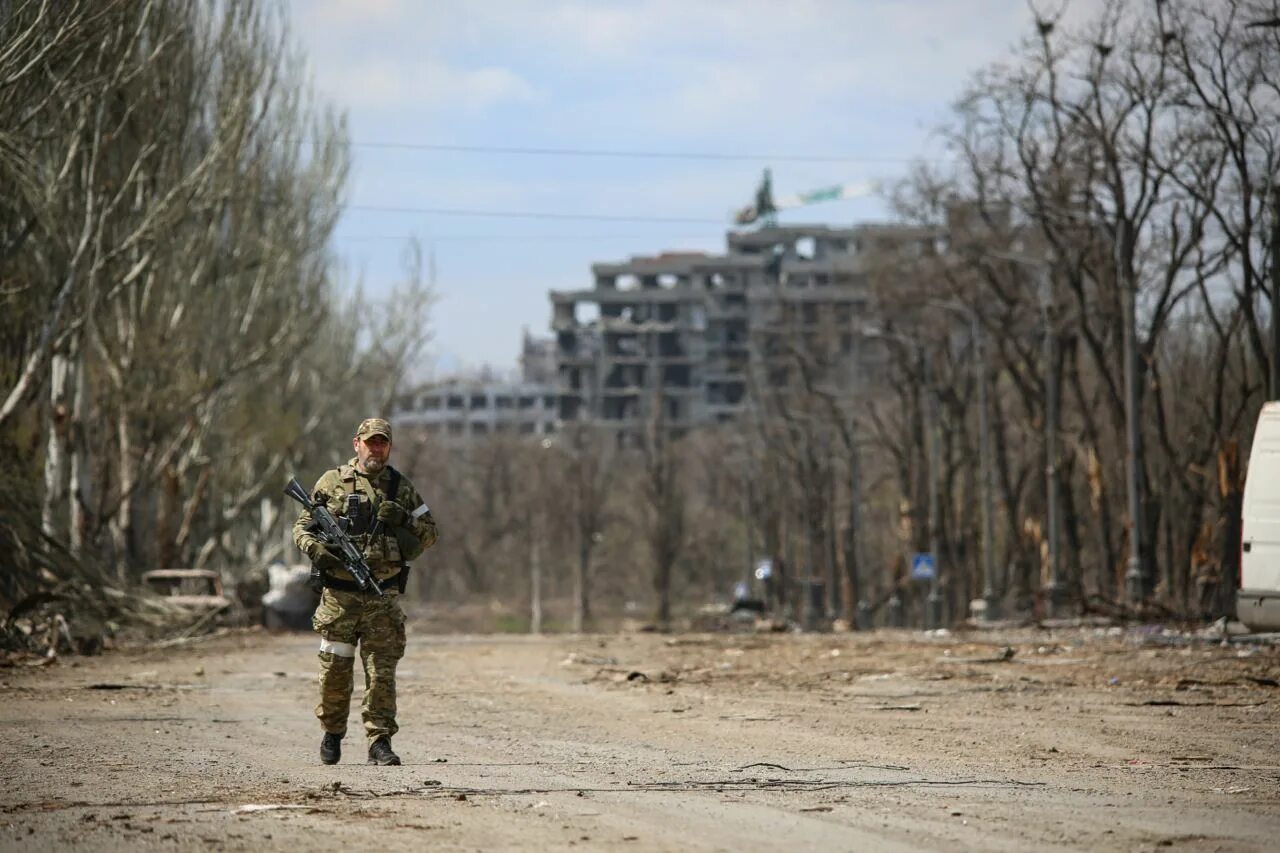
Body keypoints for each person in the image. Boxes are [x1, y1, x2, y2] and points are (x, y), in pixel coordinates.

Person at [292, 418, 438, 766]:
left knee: (381, 674)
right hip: (339, 598)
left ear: (389, 446)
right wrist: (315, 549)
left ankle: (379, 741)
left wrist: (403, 518)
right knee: (334, 671)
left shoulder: (401, 487)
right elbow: (302, 527)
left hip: (382, 598)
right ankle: (332, 732)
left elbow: (430, 533)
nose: (376, 449)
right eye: (370, 442)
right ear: (356, 443)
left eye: (382, 443)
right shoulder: (332, 482)